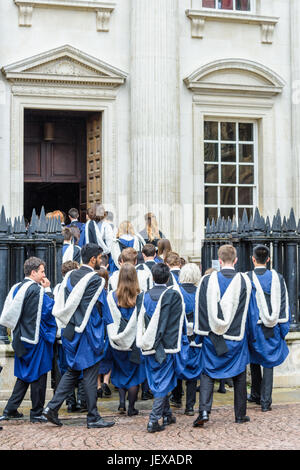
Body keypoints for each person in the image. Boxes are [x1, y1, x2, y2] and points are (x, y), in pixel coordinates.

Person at [42, 243, 115, 429]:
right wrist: (106, 329)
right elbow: (100, 308)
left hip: (70, 330)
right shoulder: (96, 280)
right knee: (90, 373)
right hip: (88, 333)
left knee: (73, 371)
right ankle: (93, 417)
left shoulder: (69, 276)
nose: (102, 260)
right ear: (93, 259)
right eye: (100, 257)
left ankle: (52, 408)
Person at [193, 244, 252, 427]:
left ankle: (204, 410)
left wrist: (200, 335)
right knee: (239, 372)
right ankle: (240, 415)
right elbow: (250, 313)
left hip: (212, 338)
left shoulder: (206, 281)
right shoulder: (245, 281)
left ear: (219, 261)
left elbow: (200, 308)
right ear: (235, 260)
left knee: (207, 373)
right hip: (236, 336)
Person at [0, 257, 57, 424]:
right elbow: (48, 311)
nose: (44, 275)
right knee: (39, 376)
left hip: (19, 338)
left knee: (24, 376)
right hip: (35, 340)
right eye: (42, 271)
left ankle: (10, 409)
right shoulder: (38, 290)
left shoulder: (16, 287)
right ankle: (36, 412)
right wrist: (48, 290)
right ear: (33, 272)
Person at [136, 263, 186, 433]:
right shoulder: (173, 295)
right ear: (168, 278)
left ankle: (167, 414)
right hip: (166, 347)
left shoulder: (143, 296)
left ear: (153, 277)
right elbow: (178, 323)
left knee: (157, 379)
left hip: (149, 346)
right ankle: (154, 419)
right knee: (163, 381)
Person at [247, 244, 290, 412]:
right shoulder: (278, 278)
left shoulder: (247, 278)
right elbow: (285, 303)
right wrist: (283, 328)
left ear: (253, 259)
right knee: (269, 362)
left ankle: (256, 394)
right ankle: (266, 402)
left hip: (254, 326)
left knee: (254, 358)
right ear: (269, 259)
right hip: (273, 326)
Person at [106, 263, 146, 416]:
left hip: (116, 342)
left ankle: (122, 403)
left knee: (120, 371)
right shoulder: (140, 296)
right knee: (134, 376)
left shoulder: (112, 296)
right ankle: (131, 407)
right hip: (134, 342)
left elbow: (109, 319)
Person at [52, 260, 87, 413]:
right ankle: (81, 400)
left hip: (63, 332)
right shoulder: (80, 287)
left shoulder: (58, 288)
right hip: (77, 330)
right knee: (80, 365)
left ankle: (70, 401)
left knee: (66, 368)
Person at [170, 263, 202, 415]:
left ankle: (176, 398)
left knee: (178, 368)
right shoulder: (201, 293)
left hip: (180, 337)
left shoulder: (177, 292)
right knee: (193, 372)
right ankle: (190, 406)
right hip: (196, 337)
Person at [95, 267, 112, 399]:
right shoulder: (109, 294)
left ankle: (98, 385)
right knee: (109, 356)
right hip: (107, 328)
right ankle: (106, 380)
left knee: (96, 357)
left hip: (96, 328)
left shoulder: (93, 294)